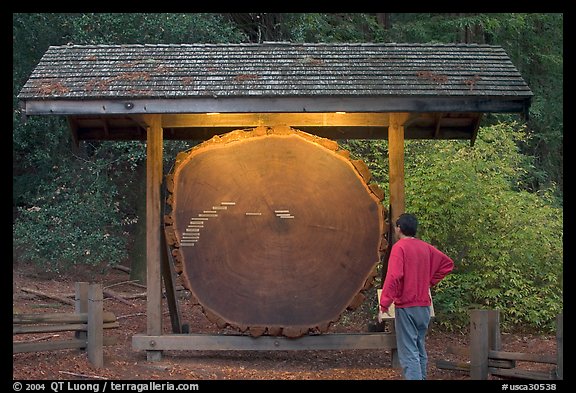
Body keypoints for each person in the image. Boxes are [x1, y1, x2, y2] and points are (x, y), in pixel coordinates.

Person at [379, 213, 454, 380]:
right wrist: (429, 282)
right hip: (424, 308)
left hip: (407, 306)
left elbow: (393, 276)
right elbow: (447, 264)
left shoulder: (400, 247)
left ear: (399, 228)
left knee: (408, 352)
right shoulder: (425, 247)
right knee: (419, 348)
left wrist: (384, 305)